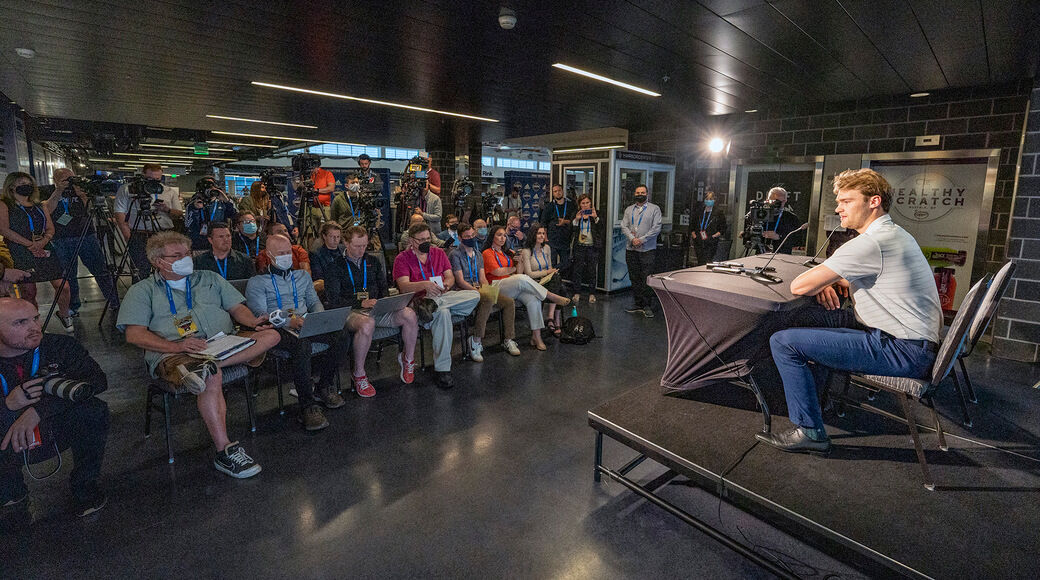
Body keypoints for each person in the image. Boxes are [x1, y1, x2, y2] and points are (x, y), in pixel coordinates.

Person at [757, 169, 943, 456]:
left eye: (846, 200)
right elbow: (854, 276)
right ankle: (819, 402)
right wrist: (829, 280)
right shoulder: (895, 234)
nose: (838, 207)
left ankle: (810, 431)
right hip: (914, 343)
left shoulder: (869, 242)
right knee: (817, 320)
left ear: (873, 202)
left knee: (783, 341)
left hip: (902, 351)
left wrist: (822, 281)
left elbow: (799, 284)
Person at [117, 231, 280, 478]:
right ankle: (225, 450)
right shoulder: (143, 291)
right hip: (174, 353)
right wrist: (178, 347)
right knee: (212, 377)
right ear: (159, 261)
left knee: (272, 335)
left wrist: (255, 323)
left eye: (188, 253)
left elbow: (237, 308)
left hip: (221, 344)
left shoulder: (209, 278)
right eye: (178, 255)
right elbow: (134, 335)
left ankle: (207, 366)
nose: (187, 258)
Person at [0, 297, 110, 517]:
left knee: (93, 410)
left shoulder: (59, 346)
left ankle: (85, 487)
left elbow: (97, 381)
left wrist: (38, 410)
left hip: (54, 427)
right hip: (5, 436)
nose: (34, 328)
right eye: (20, 323)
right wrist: (8, 405)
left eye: (36, 318)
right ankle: (10, 488)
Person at [246, 234, 349, 431]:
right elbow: (261, 314)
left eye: (288, 252)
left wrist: (318, 320)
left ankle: (323, 386)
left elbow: (313, 301)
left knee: (341, 335)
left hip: (306, 322)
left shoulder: (302, 276)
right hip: (278, 327)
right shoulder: (257, 282)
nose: (286, 257)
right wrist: (289, 321)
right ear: (269, 255)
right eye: (281, 253)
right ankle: (307, 406)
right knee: (302, 345)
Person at [326, 225, 420, 395]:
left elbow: (383, 288)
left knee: (409, 314)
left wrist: (385, 302)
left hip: (376, 308)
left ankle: (408, 359)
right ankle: (359, 374)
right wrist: (360, 302)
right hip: (350, 312)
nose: (362, 250)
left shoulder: (373, 262)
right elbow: (334, 300)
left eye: (364, 245)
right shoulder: (335, 267)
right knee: (367, 324)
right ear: (346, 243)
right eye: (357, 246)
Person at [392, 223, 479, 388]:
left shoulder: (438, 252)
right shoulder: (401, 258)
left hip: (442, 296)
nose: (426, 242)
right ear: (411, 240)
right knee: (444, 313)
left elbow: (450, 277)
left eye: (428, 238)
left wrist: (446, 284)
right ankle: (443, 370)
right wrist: (424, 285)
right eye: (421, 240)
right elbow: (403, 286)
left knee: (474, 295)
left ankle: (433, 304)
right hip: (417, 302)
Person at [0, 173, 74, 332]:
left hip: (44, 247)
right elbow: (4, 229)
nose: (26, 185)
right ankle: (33, 323)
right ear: (12, 185)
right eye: (21, 182)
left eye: (28, 182)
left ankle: (64, 313)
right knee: (28, 291)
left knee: (63, 286)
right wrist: (30, 245)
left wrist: (43, 241)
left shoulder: (39, 205)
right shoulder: (5, 204)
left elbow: (50, 227)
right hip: (20, 250)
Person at [43, 168, 120, 315]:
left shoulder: (82, 190)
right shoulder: (49, 191)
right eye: (64, 178)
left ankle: (114, 301)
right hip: (61, 238)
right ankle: (73, 307)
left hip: (87, 235)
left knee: (100, 269)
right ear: (55, 179)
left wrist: (83, 196)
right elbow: (48, 211)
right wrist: (58, 191)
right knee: (69, 274)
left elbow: (92, 211)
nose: (69, 181)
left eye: (71, 178)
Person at [485, 225, 571, 351]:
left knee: (533, 299)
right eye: (499, 235)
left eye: (504, 235)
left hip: (513, 285)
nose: (502, 238)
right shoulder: (487, 253)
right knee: (523, 278)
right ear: (492, 237)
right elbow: (498, 272)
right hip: (497, 286)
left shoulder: (507, 253)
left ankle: (536, 337)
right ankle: (550, 296)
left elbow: (518, 272)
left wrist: (518, 263)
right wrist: (513, 269)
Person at [449, 223, 520, 361]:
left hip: (480, 288)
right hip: (464, 289)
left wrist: (489, 290)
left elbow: (482, 278)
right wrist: (479, 292)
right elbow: (460, 281)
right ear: (460, 238)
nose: (470, 238)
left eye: (472, 235)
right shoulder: (455, 254)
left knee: (508, 302)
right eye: (466, 236)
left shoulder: (478, 254)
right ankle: (476, 341)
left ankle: (509, 339)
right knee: (487, 299)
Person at [113, 163, 183, 280]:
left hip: (164, 234)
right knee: (140, 271)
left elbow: (179, 214)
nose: (153, 182)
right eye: (150, 179)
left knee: (167, 269)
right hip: (140, 234)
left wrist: (167, 209)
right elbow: (119, 212)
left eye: (157, 179)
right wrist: (127, 235)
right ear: (143, 175)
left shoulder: (168, 191)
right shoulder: (128, 189)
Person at [620, 184, 662, 318]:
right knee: (634, 277)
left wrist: (641, 240)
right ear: (634, 194)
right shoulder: (629, 209)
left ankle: (647, 305)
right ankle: (638, 303)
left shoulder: (654, 209)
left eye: (642, 192)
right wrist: (633, 239)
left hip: (647, 249)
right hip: (631, 249)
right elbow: (624, 226)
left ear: (647, 194)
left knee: (646, 278)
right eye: (637, 192)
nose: (640, 194)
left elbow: (656, 229)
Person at [521, 225, 565, 338]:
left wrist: (551, 272)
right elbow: (528, 273)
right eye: (539, 233)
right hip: (534, 282)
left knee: (559, 282)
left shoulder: (547, 248)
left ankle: (552, 318)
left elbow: (549, 267)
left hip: (548, 280)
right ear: (533, 235)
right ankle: (554, 320)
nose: (542, 236)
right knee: (560, 287)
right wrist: (546, 273)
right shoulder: (526, 251)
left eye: (543, 233)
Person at [538, 184, 576, 290]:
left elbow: (575, 220)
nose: (557, 193)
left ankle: (555, 273)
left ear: (562, 191)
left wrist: (565, 222)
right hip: (552, 239)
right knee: (551, 262)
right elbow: (543, 223)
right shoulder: (549, 206)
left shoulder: (570, 205)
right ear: (552, 193)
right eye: (555, 191)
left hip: (565, 239)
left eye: (559, 190)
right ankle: (552, 287)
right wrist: (545, 238)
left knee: (567, 262)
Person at [184, 176, 237, 252]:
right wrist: (195, 209)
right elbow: (188, 225)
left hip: (220, 241)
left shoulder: (222, 202)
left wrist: (226, 201)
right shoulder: (193, 204)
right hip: (199, 244)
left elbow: (235, 216)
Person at [747, 186, 802, 254]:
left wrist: (779, 236)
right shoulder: (760, 214)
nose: (774, 205)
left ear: (785, 201)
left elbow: (798, 240)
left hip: (782, 255)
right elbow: (748, 235)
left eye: (778, 203)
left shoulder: (791, 218)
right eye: (772, 201)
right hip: (762, 255)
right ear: (767, 200)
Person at [570, 194, 604, 303]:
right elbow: (570, 230)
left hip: (592, 247)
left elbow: (602, 229)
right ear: (579, 205)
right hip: (579, 247)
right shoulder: (576, 214)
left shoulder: (596, 214)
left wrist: (595, 217)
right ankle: (577, 292)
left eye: (587, 203)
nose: (585, 205)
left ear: (591, 203)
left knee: (592, 271)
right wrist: (576, 220)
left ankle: (592, 293)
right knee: (577, 271)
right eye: (583, 203)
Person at [692, 191, 727, 266]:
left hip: (711, 242)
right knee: (700, 262)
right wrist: (695, 237)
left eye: (711, 199)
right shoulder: (699, 211)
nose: (709, 201)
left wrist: (713, 236)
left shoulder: (718, 213)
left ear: (714, 200)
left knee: (707, 262)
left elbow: (723, 228)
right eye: (707, 199)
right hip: (699, 241)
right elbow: (692, 226)